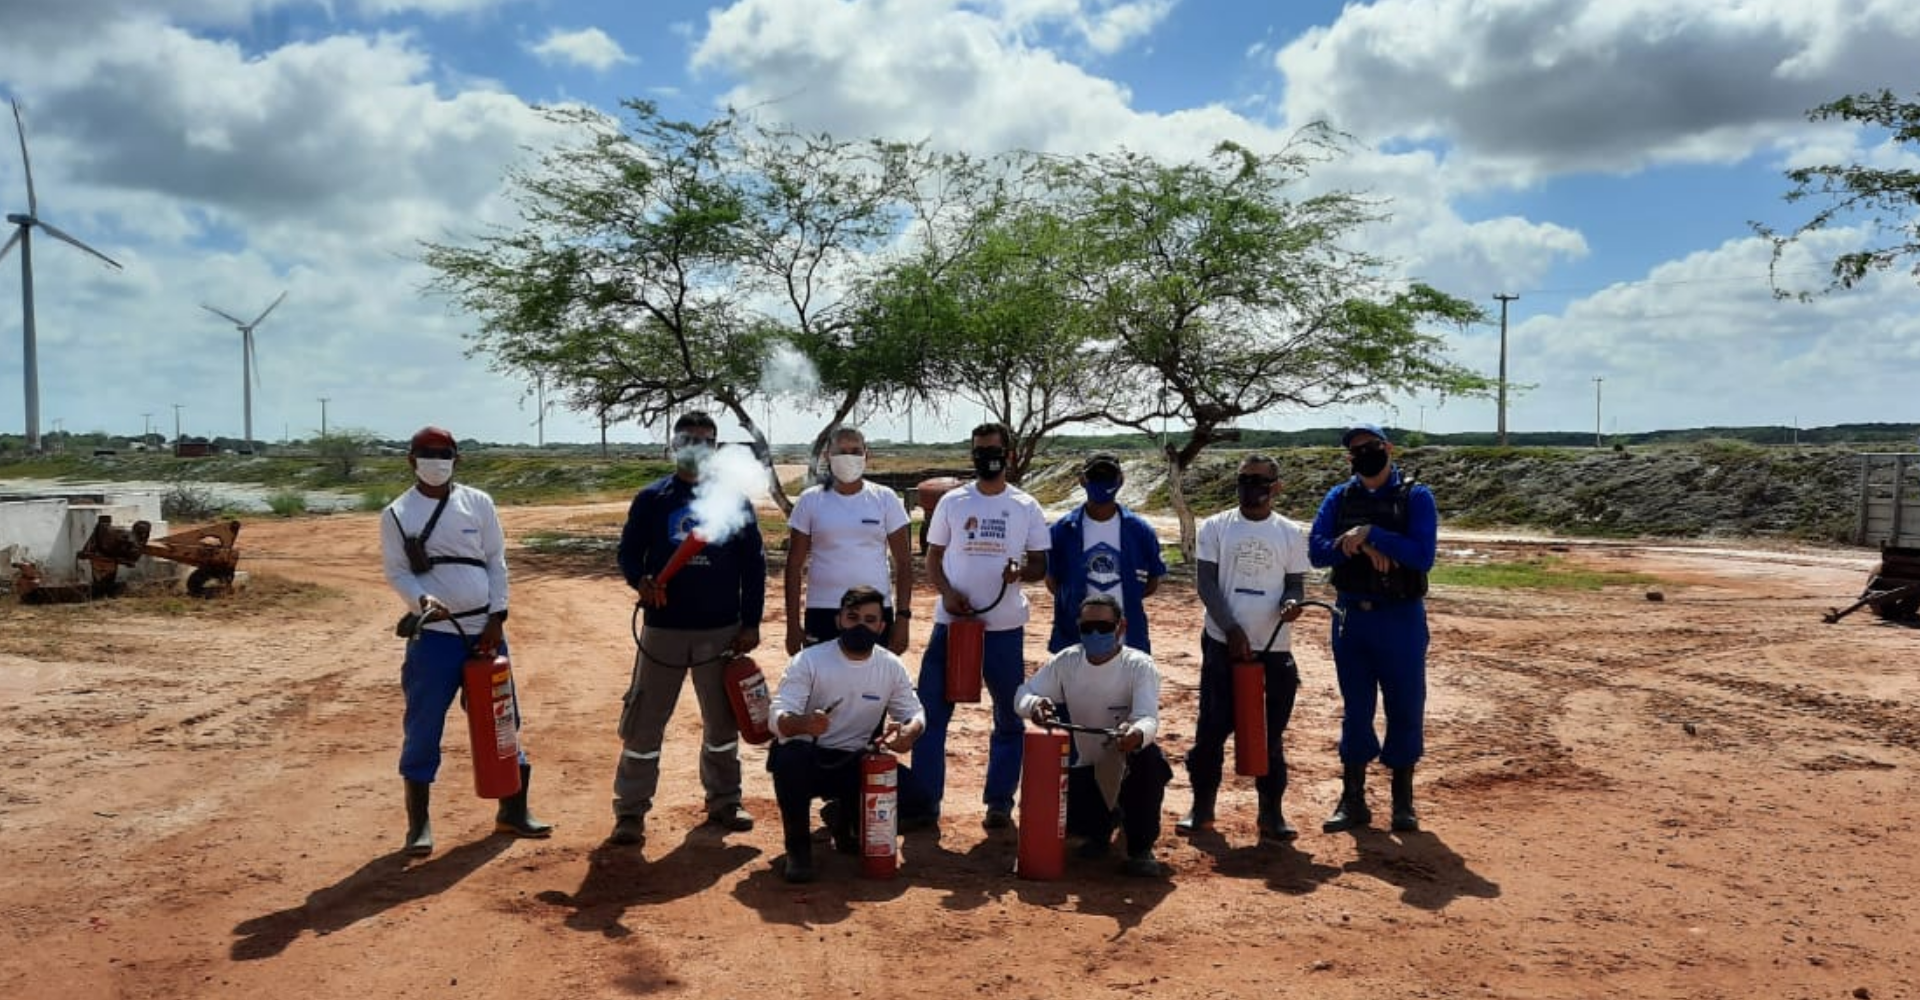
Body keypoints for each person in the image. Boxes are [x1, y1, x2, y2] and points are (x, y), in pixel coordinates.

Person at [380, 425, 551, 857]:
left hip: (486, 634)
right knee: (423, 727)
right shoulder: (397, 514)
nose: (435, 460)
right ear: (410, 458)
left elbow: (496, 561)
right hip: (435, 638)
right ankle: (418, 826)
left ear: (458, 458)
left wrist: (497, 616)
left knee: (503, 721)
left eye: (444, 453)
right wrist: (422, 601)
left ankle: (514, 809)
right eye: (426, 452)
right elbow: (398, 571)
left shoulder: (478, 503)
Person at [607, 411, 767, 846]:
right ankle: (631, 811)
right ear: (674, 442)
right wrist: (638, 581)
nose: (697, 445)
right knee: (644, 723)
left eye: (706, 440)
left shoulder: (733, 499)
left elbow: (754, 565)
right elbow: (628, 554)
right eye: (688, 437)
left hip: (721, 630)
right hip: (664, 629)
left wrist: (750, 621)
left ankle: (724, 800)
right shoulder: (652, 499)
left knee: (722, 723)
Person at [903, 421, 1050, 831]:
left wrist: (1021, 570)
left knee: (1008, 715)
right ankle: (926, 802)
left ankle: (999, 802)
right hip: (952, 625)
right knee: (930, 713)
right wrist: (947, 593)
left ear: (1010, 455)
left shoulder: (1026, 506)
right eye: (979, 450)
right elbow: (933, 558)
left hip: (1004, 628)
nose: (987, 457)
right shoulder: (953, 503)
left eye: (994, 450)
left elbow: (1040, 563)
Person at [1177, 454, 1313, 842]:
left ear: (1276, 487)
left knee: (1268, 733)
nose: (1250, 487)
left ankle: (1271, 814)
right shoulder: (1217, 527)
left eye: (1259, 481)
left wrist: (1291, 603)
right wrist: (1231, 628)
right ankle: (1201, 808)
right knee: (1211, 729)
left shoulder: (1289, 532)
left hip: (1274, 648)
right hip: (1222, 645)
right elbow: (1206, 584)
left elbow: (1295, 585)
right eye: (1244, 480)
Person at [1308, 424, 1437, 834]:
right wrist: (1358, 542)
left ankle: (1403, 802)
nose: (1363, 454)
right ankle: (1354, 799)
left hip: (1400, 616)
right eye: (1355, 450)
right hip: (1352, 618)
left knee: (1405, 704)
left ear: (1388, 448)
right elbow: (1316, 550)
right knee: (1357, 710)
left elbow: (1422, 556)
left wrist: (1373, 533)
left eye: (1371, 446)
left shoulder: (1415, 497)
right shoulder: (1340, 497)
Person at [767, 585, 928, 883]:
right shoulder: (809, 660)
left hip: (855, 760)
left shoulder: (891, 667)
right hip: (810, 757)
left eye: (870, 620)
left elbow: (915, 714)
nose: (861, 626)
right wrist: (803, 723)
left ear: (881, 626)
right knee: (789, 757)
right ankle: (798, 848)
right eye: (853, 617)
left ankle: (845, 818)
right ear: (839, 620)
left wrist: (908, 733)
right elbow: (777, 718)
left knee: (919, 802)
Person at [1015, 593, 1173, 878]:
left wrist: (1135, 734)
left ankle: (1140, 848)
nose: (1095, 634)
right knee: (1068, 826)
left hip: (1126, 766)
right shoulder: (1067, 661)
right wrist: (1035, 705)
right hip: (1087, 771)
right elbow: (1023, 694)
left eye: (1103, 628)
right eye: (1087, 628)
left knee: (1149, 759)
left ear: (1121, 627)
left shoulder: (1139, 665)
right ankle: (1100, 829)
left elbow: (1148, 717)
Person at [784, 426, 914, 656]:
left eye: (855, 451)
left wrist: (903, 619)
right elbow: (794, 565)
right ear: (827, 455)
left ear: (867, 455)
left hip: (873, 612)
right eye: (841, 451)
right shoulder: (810, 500)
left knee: (872, 684)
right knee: (824, 684)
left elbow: (904, 562)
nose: (848, 457)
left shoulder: (885, 499)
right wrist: (792, 625)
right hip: (823, 610)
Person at [1045, 452, 1167, 654]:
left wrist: (1126, 597)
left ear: (1121, 479)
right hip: (1074, 640)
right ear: (1082, 480)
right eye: (1095, 476)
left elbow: (1152, 581)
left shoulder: (1140, 531)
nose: (1102, 482)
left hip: (1127, 642)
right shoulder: (1062, 530)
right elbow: (1053, 582)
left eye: (1108, 476)